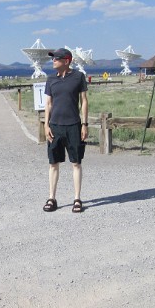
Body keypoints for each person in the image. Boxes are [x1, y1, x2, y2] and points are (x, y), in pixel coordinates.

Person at [42, 48, 89, 213]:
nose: (53, 61)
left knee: (76, 163)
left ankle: (77, 199)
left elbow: (83, 101)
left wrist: (85, 124)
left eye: (56, 58)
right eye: (53, 58)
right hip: (55, 126)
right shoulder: (50, 79)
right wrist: (46, 125)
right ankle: (51, 198)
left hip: (74, 126)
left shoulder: (78, 77)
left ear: (67, 61)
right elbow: (48, 104)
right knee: (53, 163)